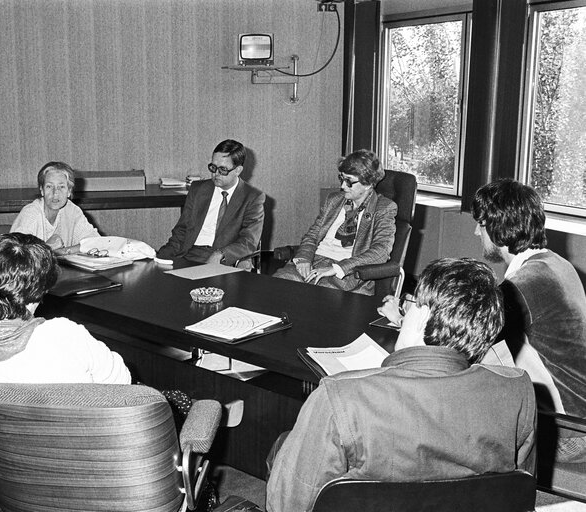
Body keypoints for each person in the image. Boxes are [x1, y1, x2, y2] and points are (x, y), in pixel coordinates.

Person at [266, 258, 536, 512]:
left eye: (410, 304)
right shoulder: (519, 392)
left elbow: (286, 505)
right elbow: (516, 492)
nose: (405, 311)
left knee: (283, 446)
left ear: (423, 317)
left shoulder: (338, 397)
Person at [472, 179, 586, 462]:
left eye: (481, 224)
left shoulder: (523, 284)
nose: (476, 231)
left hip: (570, 434)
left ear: (500, 227)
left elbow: (469, 344)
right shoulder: (555, 264)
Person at [0, 233, 130, 397]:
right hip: (74, 435)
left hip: (1, 437)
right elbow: (122, 382)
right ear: (38, 294)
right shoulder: (65, 335)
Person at [273, 149, 396, 295]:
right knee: (276, 286)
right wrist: (304, 259)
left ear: (368, 183)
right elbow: (312, 235)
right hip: (314, 261)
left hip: (347, 273)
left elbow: (381, 251)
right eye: (341, 179)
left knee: (314, 298)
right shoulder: (334, 200)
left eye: (349, 181)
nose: (343, 186)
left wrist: (338, 268)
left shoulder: (384, 208)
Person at [156, 139, 265, 266]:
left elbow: (248, 241)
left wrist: (220, 254)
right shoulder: (198, 190)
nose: (216, 174)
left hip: (223, 257)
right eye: (213, 167)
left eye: (223, 169)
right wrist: (161, 256)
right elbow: (182, 230)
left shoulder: (252, 197)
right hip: (190, 253)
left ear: (238, 170)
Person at [10, 161, 99, 253]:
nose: (55, 193)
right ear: (42, 190)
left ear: (69, 191)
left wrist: (62, 252)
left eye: (61, 187)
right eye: (49, 186)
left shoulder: (72, 211)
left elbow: (96, 243)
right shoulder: (31, 214)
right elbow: (15, 254)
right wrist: (47, 247)